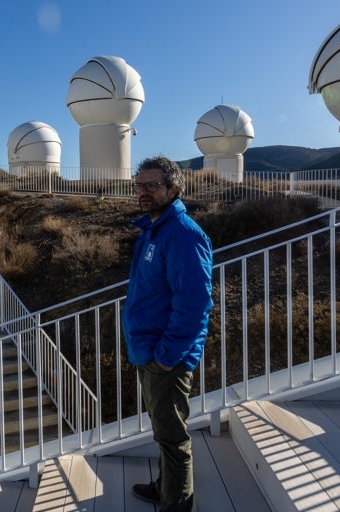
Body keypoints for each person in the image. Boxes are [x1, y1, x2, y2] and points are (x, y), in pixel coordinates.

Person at [122, 155, 214, 512]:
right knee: (162, 429)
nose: (142, 192)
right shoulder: (154, 230)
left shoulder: (185, 235)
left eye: (152, 185)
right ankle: (165, 488)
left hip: (166, 356)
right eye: (139, 185)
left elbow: (194, 305)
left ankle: (177, 504)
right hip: (148, 349)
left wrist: (166, 356)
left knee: (173, 436)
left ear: (174, 189)